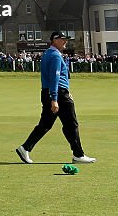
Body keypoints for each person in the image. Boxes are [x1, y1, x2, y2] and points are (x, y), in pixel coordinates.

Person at [16, 32, 96, 165]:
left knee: (46, 124)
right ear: (55, 40)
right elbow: (55, 78)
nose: (65, 42)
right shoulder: (55, 56)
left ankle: (25, 148)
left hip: (51, 92)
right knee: (71, 124)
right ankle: (78, 154)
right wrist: (55, 98)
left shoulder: (48, 53)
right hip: (58, 93)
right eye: (62, 39)